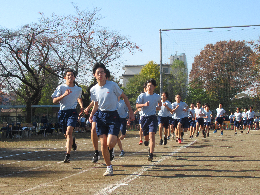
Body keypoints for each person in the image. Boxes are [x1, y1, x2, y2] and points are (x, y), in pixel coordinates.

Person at [88, 63, 134, 176]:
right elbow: (96, 105)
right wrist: (91, 114)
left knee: (110, 143)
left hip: (113, 115)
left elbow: (124, 96)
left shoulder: (112, 85)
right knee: (103, 144)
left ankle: (111, 149)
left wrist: (131, 111)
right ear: (94, 75)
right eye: (98, 73)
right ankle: (109, 167)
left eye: (102, 72)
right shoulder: (93, 89)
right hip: (100, 116)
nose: (100, 74)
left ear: (105, 74)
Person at [52, 69, 83, 163]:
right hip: (62, 112)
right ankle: (72, 141)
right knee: (66, 135)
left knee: (69, 131)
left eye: (72, 75)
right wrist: (64, 95)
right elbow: (54, 101)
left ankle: (67, 155)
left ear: (74, 77)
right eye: (68, 75)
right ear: (65, 77)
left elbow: (79, 98)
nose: (70, 77)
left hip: (72, 112)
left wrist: (81, 107)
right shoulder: (61, 87)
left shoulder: (78, 89)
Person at [84, 69, 111, 163]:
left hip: (108, 112)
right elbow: (95, 101)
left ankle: (109, 149)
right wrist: (88, 108)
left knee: (108, 136)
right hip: (97, 111)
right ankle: (96, 152)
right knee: (93, 129)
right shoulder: (95, 88)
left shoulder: (110, 87)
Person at [136, 78, 161, 161]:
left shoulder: (157, 96)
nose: (149, 87)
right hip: (144, 118)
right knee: (146, 136)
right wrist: (144, 104)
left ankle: (151, 154)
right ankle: (146, 141)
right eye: (148, 86)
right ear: (146, 87)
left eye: (151, 86)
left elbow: (159, 106)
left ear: (154, 87)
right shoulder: (142, 96)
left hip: (153, 117)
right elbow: (137, 106)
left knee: (152, 135)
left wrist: (158, 107)